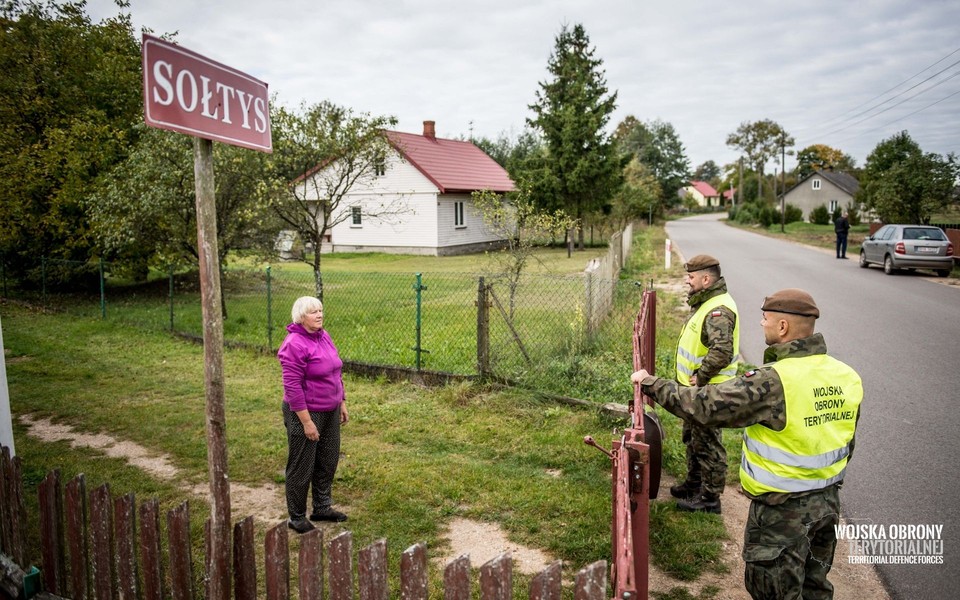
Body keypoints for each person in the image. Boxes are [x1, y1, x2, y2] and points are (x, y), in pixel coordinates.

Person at [632, 289, 862, 600]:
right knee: (815, 587)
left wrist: (651, 383)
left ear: (782, 327)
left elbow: (704, 406)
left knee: (774, 590)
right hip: (828, 505)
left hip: (782, 514)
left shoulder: (773, 380)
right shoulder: (846, 376)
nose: (760, 323)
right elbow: (847, 441)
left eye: (765, 319)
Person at [671, 254, 740, 514]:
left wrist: (700, 376)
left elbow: (721, 351)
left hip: (710, 390)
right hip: (696, 391)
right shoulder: (707, 302)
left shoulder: (717, 309)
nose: (688, 281)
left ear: (706, 278)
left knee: (709, 443)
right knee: (695, 440)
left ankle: (710, 499)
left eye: (691, 277)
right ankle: (694, 484)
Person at [278, 296, 350, 533]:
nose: (319, 315)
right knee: (302, 465)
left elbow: (335, 371)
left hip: (330, 409)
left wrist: (342, 402)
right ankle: (296, 516)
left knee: (328, 460)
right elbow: (292, 387)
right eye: (313, 312)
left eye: (320, 310)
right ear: (301, 316)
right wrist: (307, 422)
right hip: (305, 412)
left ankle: (322, 507)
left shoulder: (324, 336)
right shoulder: (294, 344)